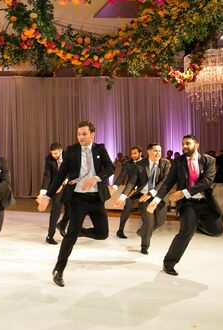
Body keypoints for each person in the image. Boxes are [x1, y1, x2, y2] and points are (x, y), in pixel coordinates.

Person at [36, 121, 115, 287]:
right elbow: (59, 176)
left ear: (92, 134)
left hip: (96, 199)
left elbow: (111, 167)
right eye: (79, 134)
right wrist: (47, 196)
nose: (81, 137)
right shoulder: (71, 151)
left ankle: (80, 232)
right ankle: (58, 270)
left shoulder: (100, 149)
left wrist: (97, 177)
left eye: (84, 134)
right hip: (78, 199)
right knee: (70, 237)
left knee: (102, 233)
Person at [147, 134, 223, 276]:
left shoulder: (209, 161)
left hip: (205, 203)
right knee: (186, 232)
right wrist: (155, 200)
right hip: (188, 204)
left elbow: (207, 182)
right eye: (183, 144)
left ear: (197, 145)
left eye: (187, 143)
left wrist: (183, 192)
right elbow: (168, 182)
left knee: (217, 231)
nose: (184, 147)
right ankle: (169, 263)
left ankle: (193, 225)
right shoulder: (178, 161)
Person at [115, 143, 171, 254]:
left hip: (159, 197)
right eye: (155, 151)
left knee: (159, 222)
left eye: (160, 151)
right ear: (148, 151)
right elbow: (131, 182)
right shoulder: (140, 164)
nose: (158, 153)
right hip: (143, 198)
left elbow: (165, 180)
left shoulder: (165, 163)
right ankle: (144, 246)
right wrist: (123, 196)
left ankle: (142, 231)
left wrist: (151, 193)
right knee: (149, 222)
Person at [111, 146, 143, 238]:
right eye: (131, 153)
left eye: (135, 153)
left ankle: (144, 229)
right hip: (130, 189)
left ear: (140, 153)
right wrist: (115, 186)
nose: (132, 155)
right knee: (127, 208)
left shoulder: (146, 162)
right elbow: (122, 175)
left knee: (145, 210)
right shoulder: (127, 163)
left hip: (143, 189)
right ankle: (120, 231)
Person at [39, 142, 68, 245]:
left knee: (71, 210)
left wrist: (64, 182)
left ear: (61, 151)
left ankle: (62, 226)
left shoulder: (68, 155)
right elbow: (47, 175)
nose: (54, 156)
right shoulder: (49, 159)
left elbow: (72, 171)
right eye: (52, 154)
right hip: (56, 188)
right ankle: (50, 236)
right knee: (55, 212)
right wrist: (43, 193)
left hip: (69, 186)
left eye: (56, 153)